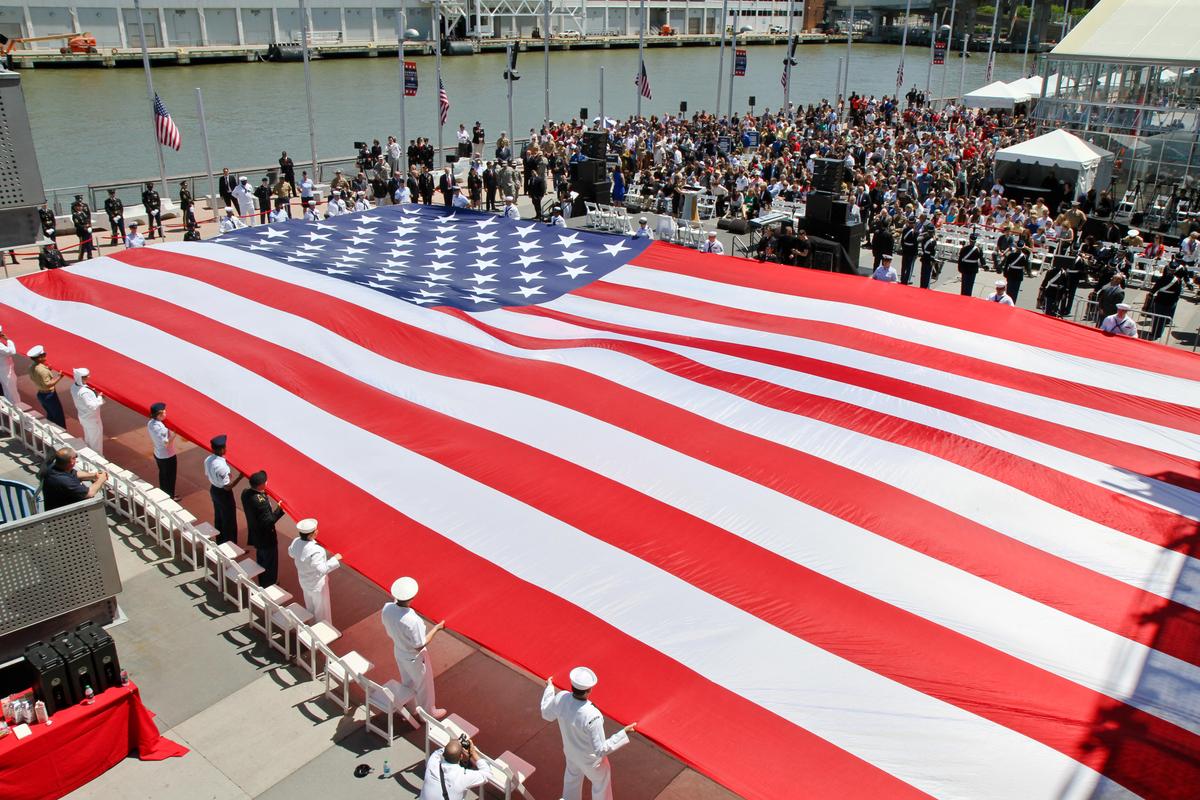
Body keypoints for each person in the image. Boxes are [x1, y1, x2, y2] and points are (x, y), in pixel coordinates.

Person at [540, 667, 637, 800]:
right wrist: (623, 733)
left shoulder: (561, 698)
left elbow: (546, 714)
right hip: (592, 762)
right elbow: (601, 750)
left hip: (571, 753)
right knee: (601, 786)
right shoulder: (592, 715)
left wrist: (549, 689)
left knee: (571, 782)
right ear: (589, 690)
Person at [381, 577, 446, 720]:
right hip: (414, 657)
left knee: (407, 681)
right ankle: (428, 713)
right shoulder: (413, 620)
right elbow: (419, 645)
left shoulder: (387, 608)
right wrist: (437, 628)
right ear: (412, 597)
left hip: (399, 651)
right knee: (425, 686)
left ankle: (411, 706)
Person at [288, 518, 341, 624]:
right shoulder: (317, 550)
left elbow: (291, 553)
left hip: (304, 581)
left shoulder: (296, 541)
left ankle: (312, 626)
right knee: (322, 611)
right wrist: (335, 559)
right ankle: (324, 631)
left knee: (310, 607)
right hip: (317, 585)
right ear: (311, 534)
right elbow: (322, 569)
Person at [241, 471, 285, 588]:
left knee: (261, 560)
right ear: (261, 485)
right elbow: (269, 521)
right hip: (267, 538)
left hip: (256, 536)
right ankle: (269, 586)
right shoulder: (261, 502)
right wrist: (280, 509)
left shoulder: (245, 493)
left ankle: (263, 583)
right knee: (270, 563)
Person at [418, 738, 488, 800]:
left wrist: (454, 744)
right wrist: (473, 753)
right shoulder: (463, 776)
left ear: (444, 754)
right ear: (461, 757)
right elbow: (486, 774)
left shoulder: (432, 763)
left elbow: (437, 752)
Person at [204, 434, 243, 544]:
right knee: (229, 520)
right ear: (222, 449)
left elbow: (208, 474)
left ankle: (220, 541)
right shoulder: (221, 466)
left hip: (214, 489)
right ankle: (231, 546)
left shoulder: (208, 460)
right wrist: (240, 477)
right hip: (223, 494)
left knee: (219, 517)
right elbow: (227, 487)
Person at [41, 447, 107, 511]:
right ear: (72, 461)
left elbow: (75, 474)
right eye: (75, 457)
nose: (76, 459)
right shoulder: (64, 481)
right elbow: (89, 493)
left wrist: (94, 475)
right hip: (65, 514)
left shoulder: (55, 466)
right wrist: (101, 479)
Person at [27, 345, 66, 427]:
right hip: (49, 395)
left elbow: (37, 377)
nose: (45, 355)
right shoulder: (42, 370)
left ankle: (50, 431)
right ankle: (60, 434)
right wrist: (59, 377)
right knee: (59, 418)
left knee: (51, 415)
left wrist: (47, 370)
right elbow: (48, 384)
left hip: (41, 394)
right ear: (39, 358)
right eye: (44, 354)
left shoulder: (31, 367)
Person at [69, 368, 105, 455]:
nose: (88, 377)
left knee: (89, 438)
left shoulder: (74, 387)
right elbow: (92, 406)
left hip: (84, 417)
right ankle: (97, 458)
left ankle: (89, 454)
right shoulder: (85, 392)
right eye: (85, 377)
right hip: (92, 419)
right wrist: (100, 397)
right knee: (96, 441)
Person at [146, 402, 177, 498]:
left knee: (163, 476)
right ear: (159, 415)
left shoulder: (150, 423)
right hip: (167, 456)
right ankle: (170, 496)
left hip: (159, 454)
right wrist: (174, 434)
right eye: (164, 412)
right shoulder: (160, 428)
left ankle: (164, 494)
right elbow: (166, 443)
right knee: (170, 477)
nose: (165, 413)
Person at [899, 219, 918, 285]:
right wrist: (916, 253)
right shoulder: (915, 232)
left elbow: (902, 241)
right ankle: (906, 280)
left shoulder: (905, 230)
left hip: (905, 250)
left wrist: (903, 248)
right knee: (909, 267)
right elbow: (915, 244)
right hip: (911, 251)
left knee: (904, 266)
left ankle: (902, 279)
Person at [0, 326, 16, 404]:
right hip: (5, 370)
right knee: (10, 390)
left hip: (3, 368)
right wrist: (8, 340)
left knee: (6, 388)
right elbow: (12, 351)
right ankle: (14, 406)